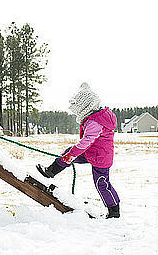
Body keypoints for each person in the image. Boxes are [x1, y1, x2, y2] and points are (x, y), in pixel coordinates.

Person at [36, 82, 120, 218]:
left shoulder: (95, 122)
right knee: (68, 153)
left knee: (102, 184)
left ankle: (114, 211)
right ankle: (51, 171)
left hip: (100, 158)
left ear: (85, 107)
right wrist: (71, 154)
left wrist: (72, 154)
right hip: (91, 153)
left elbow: (86, 141)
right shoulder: (96, 116)